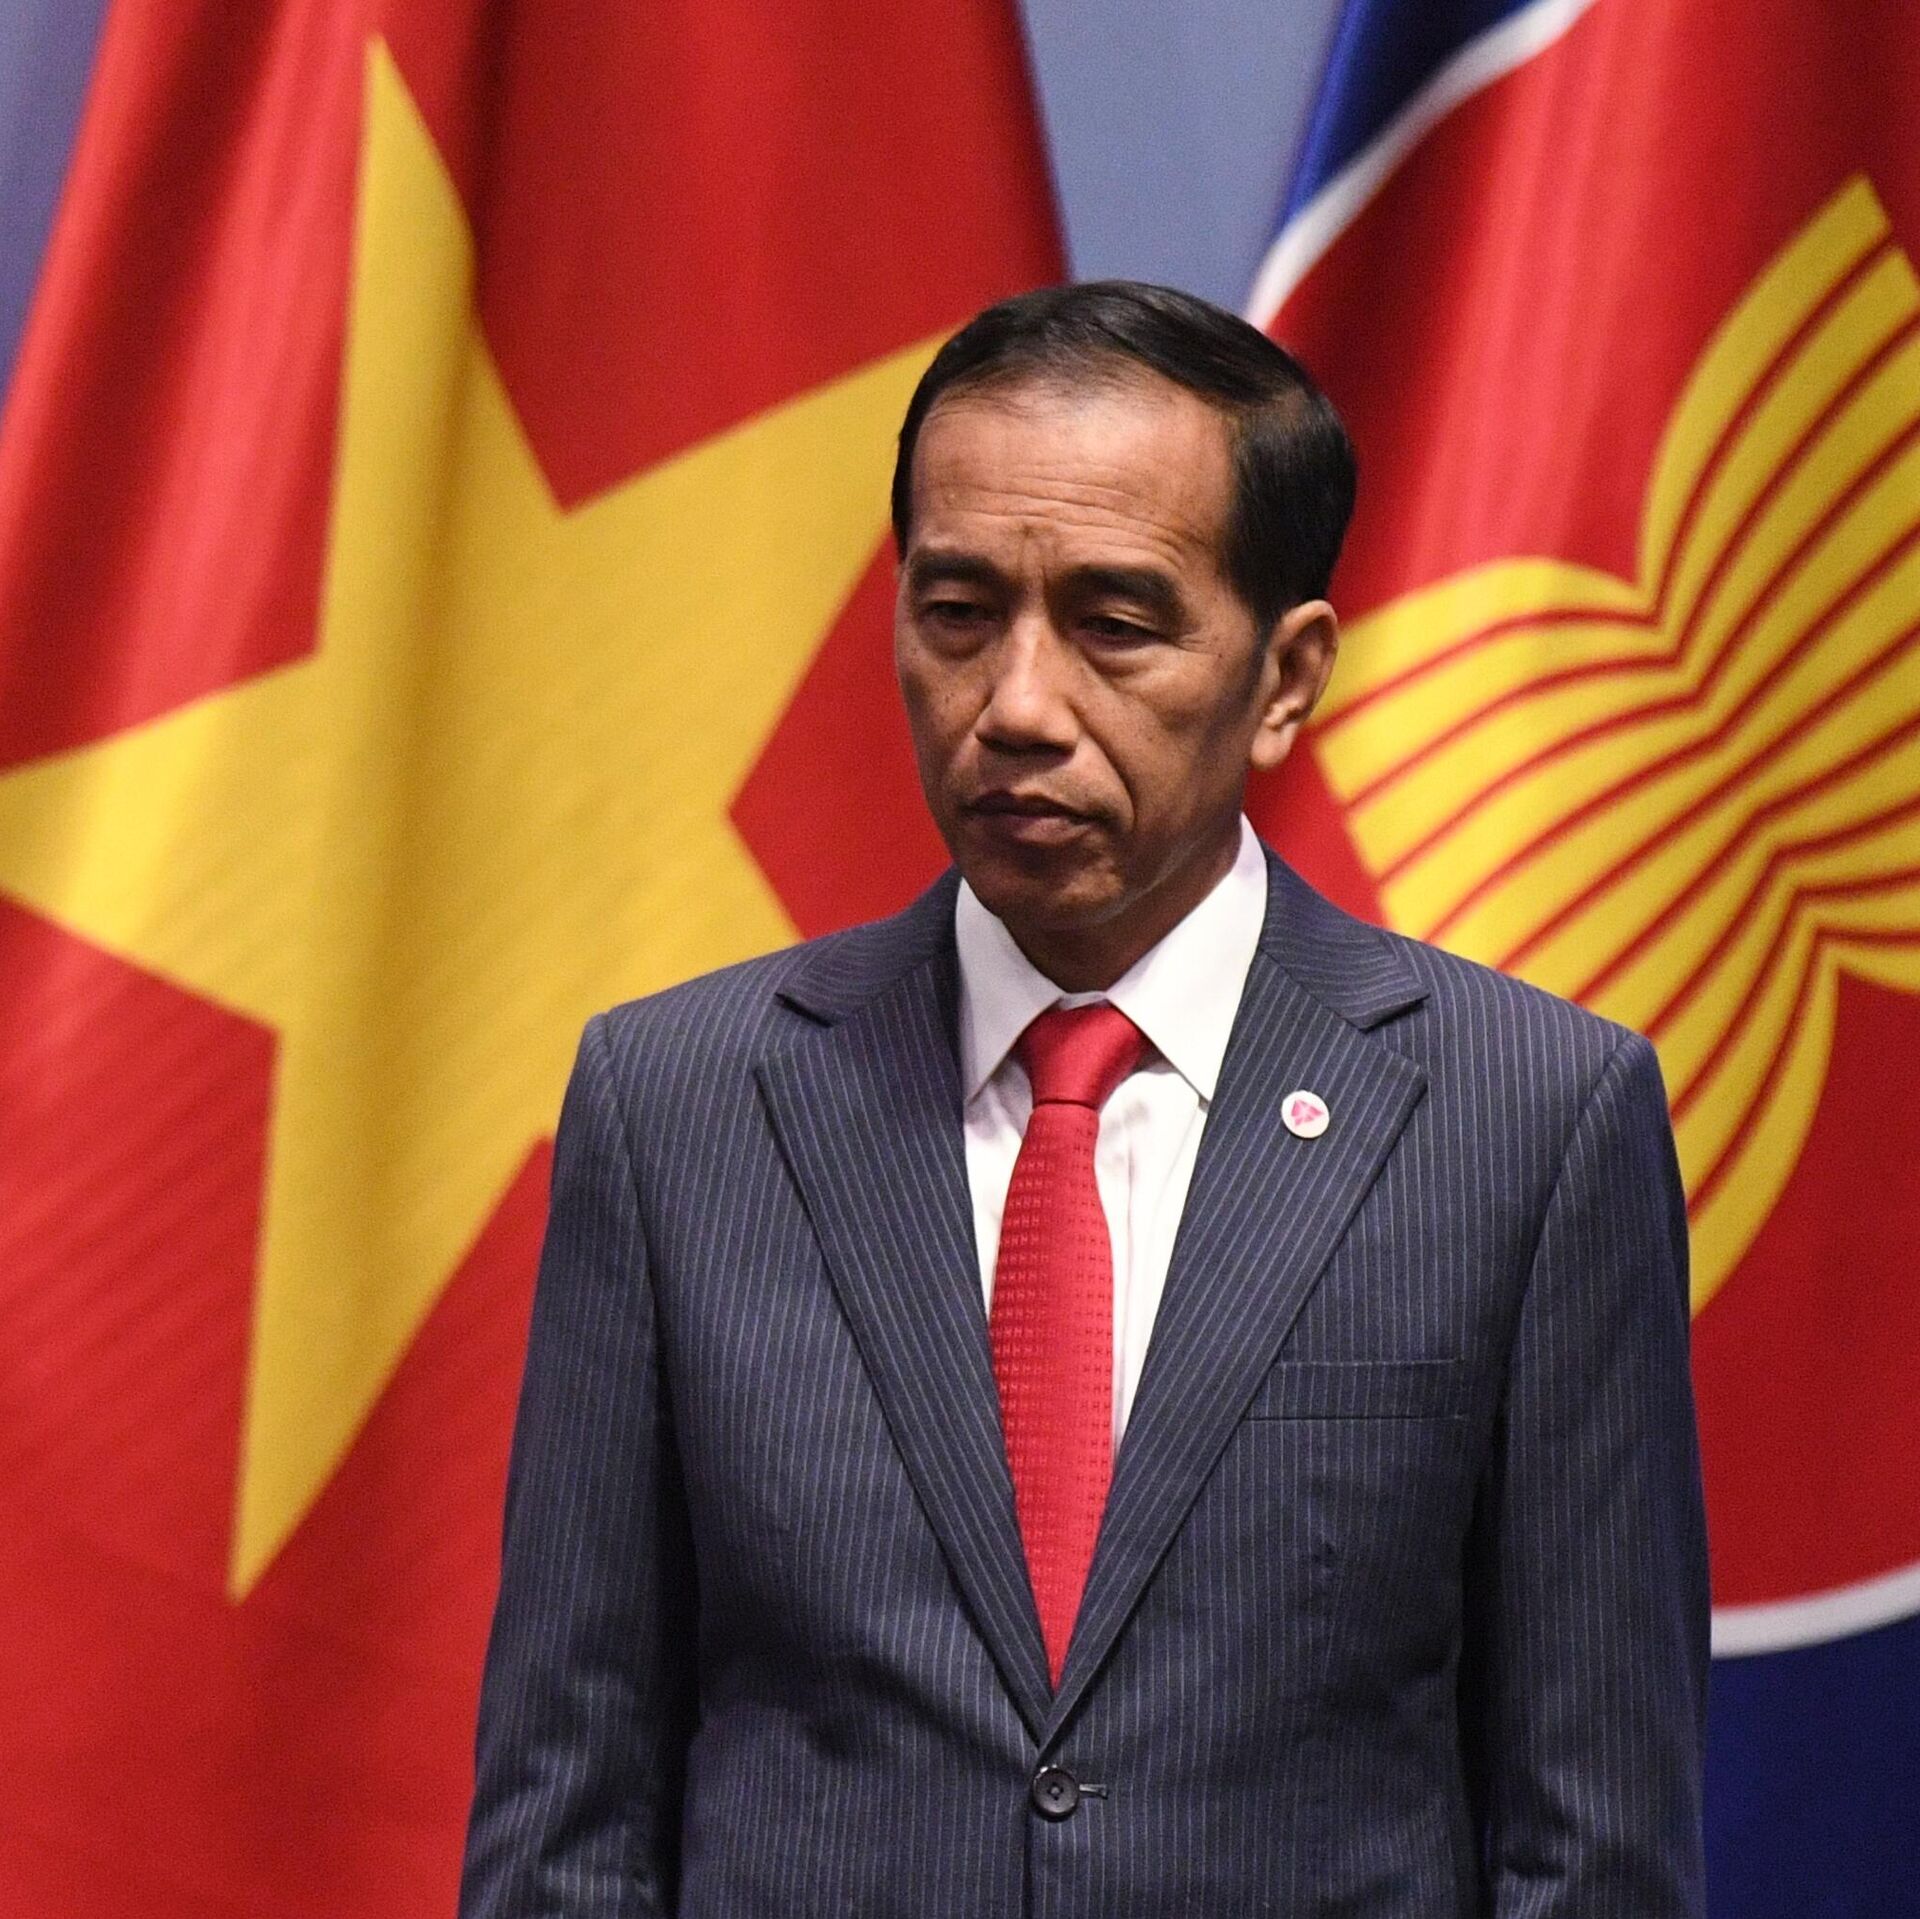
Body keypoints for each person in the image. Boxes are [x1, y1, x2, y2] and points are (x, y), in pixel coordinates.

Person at [459, 282, 1709, 1917]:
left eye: (1116, 624)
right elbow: (571, 1816)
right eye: (959, 612)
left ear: (1286, 676)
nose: (1019, 706)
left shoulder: (1527, 1123)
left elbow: (1593, 1844)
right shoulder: (680, 1108)